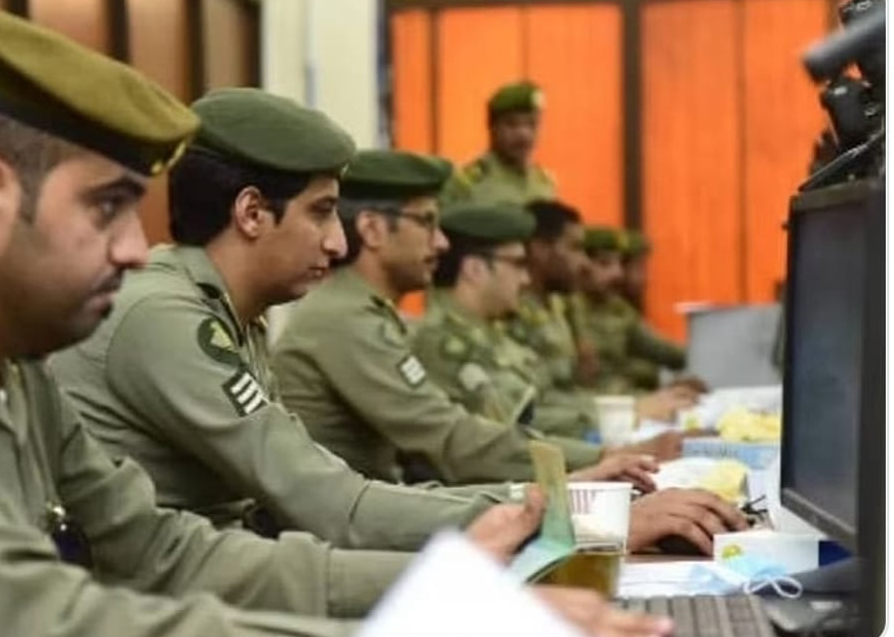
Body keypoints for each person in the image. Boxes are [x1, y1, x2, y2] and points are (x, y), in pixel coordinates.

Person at [0, 2, 539, 637]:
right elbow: (45, 623)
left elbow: (165, 551)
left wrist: (445, 589)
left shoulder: (14, 367)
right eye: (106, 208)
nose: (139, 250)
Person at [50, 88, 549, 553]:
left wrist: (534, 499)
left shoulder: (231, 314)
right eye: (321, 213)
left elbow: (313, 495)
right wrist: (542, 507)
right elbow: (330, 504)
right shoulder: (166, 317)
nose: (337, 242)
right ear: (251, 213)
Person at [270, 149, 658, 487]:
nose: (441, 243)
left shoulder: (363, 312)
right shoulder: (344, 319)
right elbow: (451, 440)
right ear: (373, 229)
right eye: (426, 222)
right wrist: (596, 459)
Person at [412, 203, 746, 555]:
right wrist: (602, 454)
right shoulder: (443, 342)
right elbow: (492, 438)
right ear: (476, 269)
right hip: (489, 513)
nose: (525, 279)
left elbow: (543, 402)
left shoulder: (487, 333)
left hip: (514, 501)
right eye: (518, 265)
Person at [508, 200, 693, 442]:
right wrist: (629, 410)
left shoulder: (557, 306)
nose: (583, 263)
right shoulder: (511, 313)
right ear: (540, 249)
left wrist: (635, 404)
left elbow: (567, 391)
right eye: (575, 248)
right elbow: (527, 411)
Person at [572, 226, 689, 395]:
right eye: (604, 264)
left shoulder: (618, 309)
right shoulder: (566, 310)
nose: (617, 273)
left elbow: (661, 350)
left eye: (619, 264)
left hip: (621, 397)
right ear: (580, 265)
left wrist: (706, 355)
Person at [438, 80, 558, 209]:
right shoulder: (470, 183)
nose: (524, 134)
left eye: (532, 124)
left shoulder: (544, 183)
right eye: (512, 124)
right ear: (492, 127)